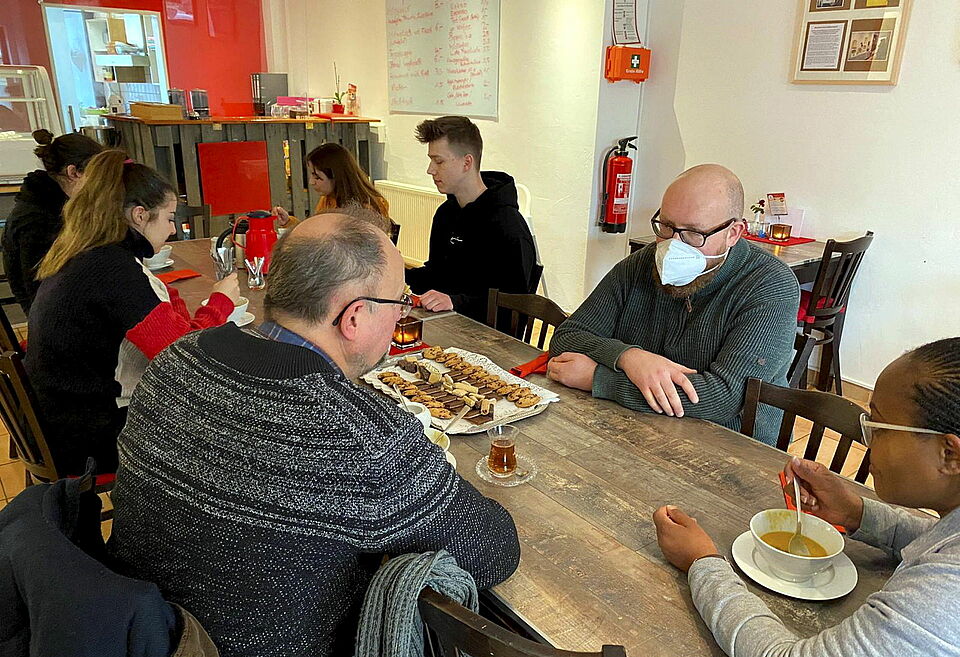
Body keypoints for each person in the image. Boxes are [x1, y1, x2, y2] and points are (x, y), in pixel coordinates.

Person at [108, 213, 521, 657]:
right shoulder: (361, 435)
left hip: (131, 634)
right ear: (354, 317)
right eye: (399, 301)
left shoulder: (177, 359)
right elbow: (493, 549)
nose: (401, 313)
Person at [653, 336, 960, 656]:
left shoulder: (946, 590)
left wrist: (702, 562)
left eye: (880, 428)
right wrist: (854, 513)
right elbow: (935, 539)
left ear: (950, 455)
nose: (868, 441)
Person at [547, 164, 798, 444]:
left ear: (733, 233)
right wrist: (630, 358)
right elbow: (567, 337)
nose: (673, 245)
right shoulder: (641, 263)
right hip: (639, 426)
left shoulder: (771, 284)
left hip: (732, 444)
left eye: (694, 233)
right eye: (666, 226)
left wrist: (599, 378)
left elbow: (721, 399)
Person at [25, 150, 239, 475]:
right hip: (86, 438)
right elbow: (183, 357)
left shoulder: (87, 252)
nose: (172, 230)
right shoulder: (113, 269)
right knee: (221, 417)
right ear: (140, 215)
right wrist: (220, 302)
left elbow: (161, 323)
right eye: (169, 218)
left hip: (56, 418)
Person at [405, 115, 536, 322]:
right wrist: (396, 271)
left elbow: (514, 307)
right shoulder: (445, 214)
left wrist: (455, 302)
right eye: (431, 160)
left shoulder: (508, 226)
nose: (430, 170)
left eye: (439, 161)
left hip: (486, 334)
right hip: (445, 322)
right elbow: (436, 274)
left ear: (467, 162)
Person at [2, 129, 103, 314]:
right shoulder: (37, 220)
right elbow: (41, 293)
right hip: (56, 319)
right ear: (73, 172)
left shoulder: (52, 202)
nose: (99, 186)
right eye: (97, 177)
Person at [272, 142, 390, 228]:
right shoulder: (328, 199)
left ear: (336, 177)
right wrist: (288, 222)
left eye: (317, 177)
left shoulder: (367, 208)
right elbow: (316, 232)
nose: (311, 182)